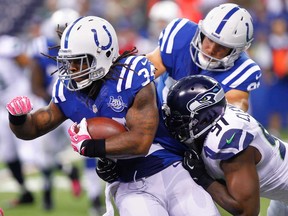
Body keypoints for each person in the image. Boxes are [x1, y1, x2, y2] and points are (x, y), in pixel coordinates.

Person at [6, 16, 220, 216]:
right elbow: (34, 128)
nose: (71, 69)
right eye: (68, 61)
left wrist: (92, 147)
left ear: (103, 55)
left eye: (79, 61)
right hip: (129, 184)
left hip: (170, 168)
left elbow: (141, 141)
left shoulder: (132, 76)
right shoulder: (68, 89)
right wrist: (19, 119)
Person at [163, 74, 288, 216]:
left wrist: (202, 178)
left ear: (205, 118)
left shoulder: (227, 141)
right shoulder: (218, 117)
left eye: (181, 121)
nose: (176, 126)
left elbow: (247, 212)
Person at [146, 3, 261, 112]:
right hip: (157, 118)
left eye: (221, 47)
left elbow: (234, 109)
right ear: (201, 32)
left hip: (203, 129)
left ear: (236, 51)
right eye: (210, 39)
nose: (211, 49)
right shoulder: (181, 36)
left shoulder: (242, 70)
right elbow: (144, 72)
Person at [0, 35, 34, 207]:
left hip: (21, 101)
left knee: (32, 150)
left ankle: (68, 172)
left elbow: (26, 61)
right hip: (2, 109)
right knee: (8, 153)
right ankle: (25, 191)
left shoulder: (5, 45)